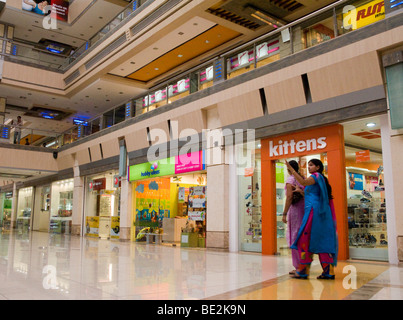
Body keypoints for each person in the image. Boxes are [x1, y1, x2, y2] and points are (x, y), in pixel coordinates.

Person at [286, 158, 338, 280]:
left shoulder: (315, 176)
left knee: (304, 240)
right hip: (317, 212)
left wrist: (292, 171)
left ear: (318, 167)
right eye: (308, 165)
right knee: (321, 241)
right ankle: (328, 272)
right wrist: (301, 191)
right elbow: (312, 194)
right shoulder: (320, 179)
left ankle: (302, 271)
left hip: (313, 212)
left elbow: (303, 183)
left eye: (311, 165)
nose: (309, 167)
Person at [282, 160, 305, 276]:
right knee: (302, 237)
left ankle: (298, 267)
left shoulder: (290, 180)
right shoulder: (302, 179)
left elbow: (290, 197)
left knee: (294, 237)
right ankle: (303, 265)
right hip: (303, 210)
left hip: (295, 211)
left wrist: (284, 213)